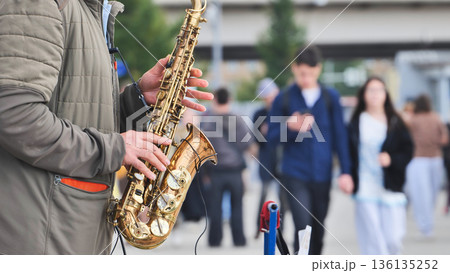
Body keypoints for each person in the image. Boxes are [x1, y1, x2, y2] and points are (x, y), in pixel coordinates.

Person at [0, 1, 212, 254]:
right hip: (41, 232)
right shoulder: (41, 5)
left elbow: (76, 114)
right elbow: (15, 117)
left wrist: (138, 98)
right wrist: (114, 148)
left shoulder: (93, 11)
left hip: (68, 227)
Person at [267, 45, 352, 255]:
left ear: (319, 70)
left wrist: (346, 172)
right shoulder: (284, 98)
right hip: (294, 173)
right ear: (294, 68)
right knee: (302, 226)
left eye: (311, 73)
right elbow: (270, 137)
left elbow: (341, 137)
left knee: (319, 227)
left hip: (323, 174)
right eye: (302, 72)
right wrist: (289, 125)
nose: (306, 78)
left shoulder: (331, 98)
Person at [341, 77, 413, 254]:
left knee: (393, 239)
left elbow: (408, 150)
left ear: (385, 94)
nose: (374, 94)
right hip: (365, 187)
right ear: (364, 94)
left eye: (379, 90)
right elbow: (347, 153)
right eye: (370, 90)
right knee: (373, 240)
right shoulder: (356, 122)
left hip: (391, 187)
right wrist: (346, 175)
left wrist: (392, 160)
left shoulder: (396, 121)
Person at [201, 88, 253, 247]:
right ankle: (239, 239)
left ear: (214, 99)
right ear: (229, 99)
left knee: (215, 208)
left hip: (215, 171)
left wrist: (204, 173)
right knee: (237, 206)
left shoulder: (208, 122)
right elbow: (247, 144)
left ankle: (215, 240)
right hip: (235, 171)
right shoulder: (237, 119)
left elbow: (202, 149)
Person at [405, 94, 448, 237]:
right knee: (432, 193)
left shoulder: (413, 120)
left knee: (420, 194)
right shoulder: (436, 117)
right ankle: (428, 224)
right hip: (435, 158)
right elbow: (444, 138)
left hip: (418, 159)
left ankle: (425, 226)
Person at [252, 78, 289, 238]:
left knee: (283, 197)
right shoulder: (259, 114)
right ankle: (258, 228)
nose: (269, 99)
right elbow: (257, 139)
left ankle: (282, 228)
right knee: (264, 193)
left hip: (282, 157)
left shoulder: (284, 111)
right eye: (266, 96)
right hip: (267, 157)